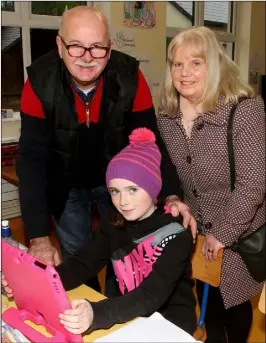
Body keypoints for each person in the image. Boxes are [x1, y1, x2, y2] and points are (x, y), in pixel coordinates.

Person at [16, 5, 196, 292]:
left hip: (116, 181)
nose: (87, 58)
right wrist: (38, 237)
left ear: (110, 49)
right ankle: (87, 310)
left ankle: (118, 312)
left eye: (97, 47)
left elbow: (151, 142)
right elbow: (31, 160)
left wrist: (172, 194)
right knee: (78, 254)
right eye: (76, 46)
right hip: (64, 183)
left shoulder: (130, 77)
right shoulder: (38, 82)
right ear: (60, 46)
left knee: (124, 254)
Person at [3, 128, 197, 336]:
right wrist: (35, 284)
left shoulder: (177, 235)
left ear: (152, 188)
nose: (123, 201)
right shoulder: (114, 224)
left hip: (169, 324)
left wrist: (97, 314)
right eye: (115, 191)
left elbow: (149, 296)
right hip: (126, 315)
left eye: (133, 189)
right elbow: (83, 264)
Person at [157, 26, 265, 343]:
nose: (185, 72)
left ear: (213, 65)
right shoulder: (166, 114)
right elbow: (167, 167)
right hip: (196, 228)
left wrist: (223, 233)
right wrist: (174, 195)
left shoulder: (244, 110)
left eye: (196, 63)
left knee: (232, 304)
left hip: (238, 230)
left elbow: (254, 183)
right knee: (206, 296)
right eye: (177, 64)